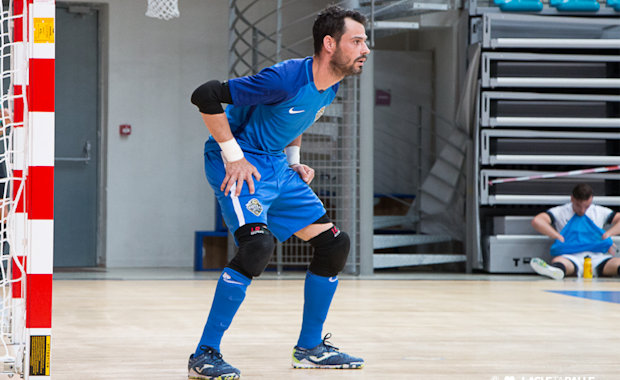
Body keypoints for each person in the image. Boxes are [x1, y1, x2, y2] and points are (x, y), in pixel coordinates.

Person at [188, 5, 369, 379]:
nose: (366, 49)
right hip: (240, 163)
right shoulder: (284, 78)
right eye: (357, 41)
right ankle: (205, 355)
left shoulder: (329, 85)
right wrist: (234, 157)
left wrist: (294, 159)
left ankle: (310, 348)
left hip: (276, 165)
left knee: (335, 244)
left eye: (365, 41)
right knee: (257, 245)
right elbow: (205, 95)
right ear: (330, 44)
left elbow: (295, 119)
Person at [530, 183, 620, 280]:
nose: (582, 210)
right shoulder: (560, 211)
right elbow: (538, 221)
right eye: (578, 205)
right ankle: (556, 270)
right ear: (572, 198)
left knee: (617, 263)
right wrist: (556, 235)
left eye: (586, 206)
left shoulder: (599, 211)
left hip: (598, 257)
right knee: (559, 261)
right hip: (570, 257)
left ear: (591, 199)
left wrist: (609, 234)